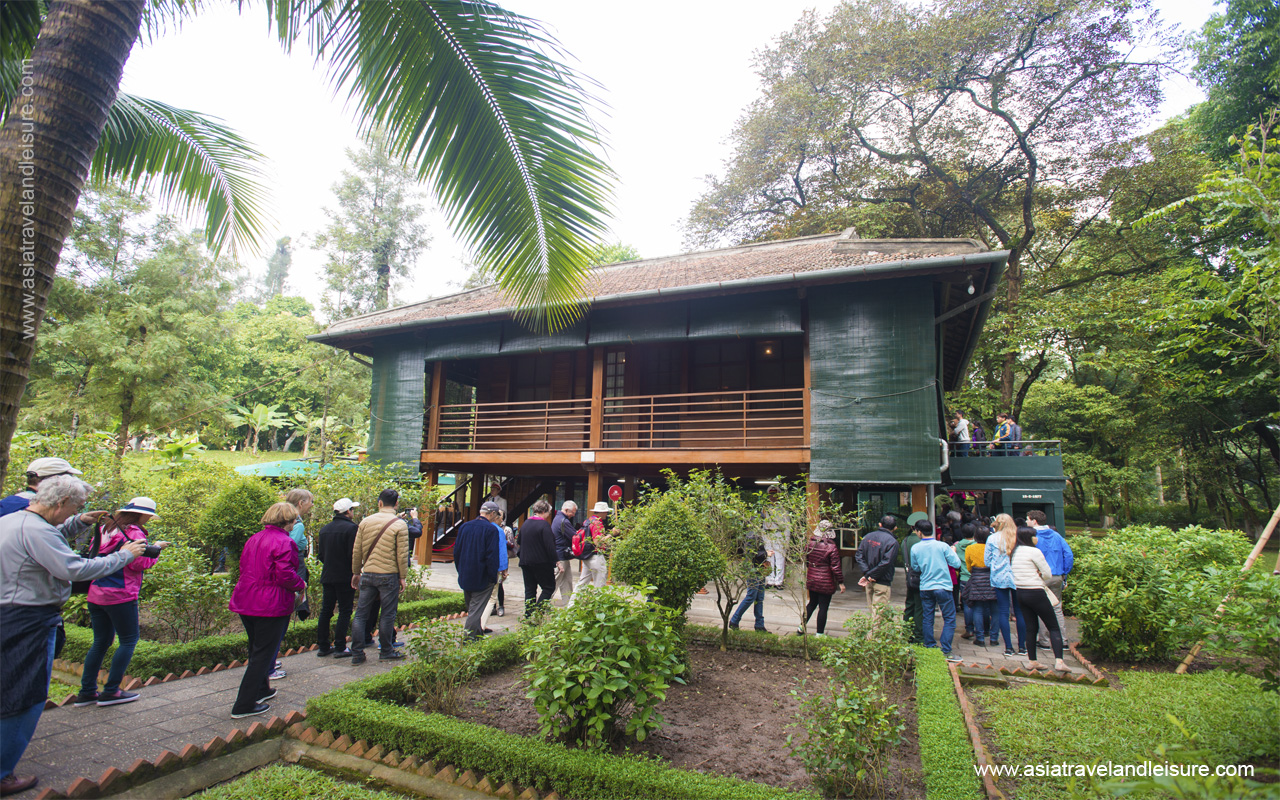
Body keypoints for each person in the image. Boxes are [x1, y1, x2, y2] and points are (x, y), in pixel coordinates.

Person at [0, 476, 148, 796]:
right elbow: (75, 569)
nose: (76, 512)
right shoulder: (36, 530)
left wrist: (80, 522)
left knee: (10, 687)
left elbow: (47, 536)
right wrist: (126, 555)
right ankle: (2, 772)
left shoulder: (15, 520)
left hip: (11, 612)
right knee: (26, 695)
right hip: (28, 619)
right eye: (76, 507)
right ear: (61, 502)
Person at [77, 498, 170, 707]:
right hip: (120, 594)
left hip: (96, 591)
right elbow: (139, 563)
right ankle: (111, 691)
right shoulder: (134, 533)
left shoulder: (105, 529)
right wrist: (156, 549)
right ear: (142, 515)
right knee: (128, 640)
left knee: (100, 642)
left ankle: (87, 692)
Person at [227, 502, 306, 719]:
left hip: (246, 599)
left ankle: (262, 690)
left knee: (257, 649)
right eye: (294, 521)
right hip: (269, 604)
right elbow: (285, 574)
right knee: (264, 654)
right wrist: (301, 584)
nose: (295, 524)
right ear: (288, 521)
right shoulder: (285, 542)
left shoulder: (254, 538)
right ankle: (243, 704)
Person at [349, 489, 409, 666]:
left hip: (368, 573)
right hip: (388, 574)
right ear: (397, 503)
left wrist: (355, 572)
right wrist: (403, 576)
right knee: (387, 614)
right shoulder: (399, 525)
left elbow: (357, 550)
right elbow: (402, 554)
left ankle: (357, 653)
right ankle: (386, 651)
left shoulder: (365, 521)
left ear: (379, 503)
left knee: (361, 614)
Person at [0, 458, 107, 542]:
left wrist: (81, 520)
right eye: (68, 478)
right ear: (54, 481)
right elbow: (48, 536)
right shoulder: (33, 509)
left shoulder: (9, 502)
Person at [1011, 526, 1069, 672]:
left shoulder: (1014, 552)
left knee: (1031, 627)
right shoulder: (1034, 551)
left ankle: (1032, 661)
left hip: (1021, 592)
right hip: (1036, 592)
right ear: (1030, 538)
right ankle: (1059, 661)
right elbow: (1048, 574)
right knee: (1053, 626)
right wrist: (1039, 574)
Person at [909, 520, 963, 661]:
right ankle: (946, 650)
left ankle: (930, 646)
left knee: (928, 617)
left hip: (926, 586)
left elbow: (915, 567)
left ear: (919, 532)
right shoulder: (942, 546)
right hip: (943, 586)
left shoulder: (915, 548)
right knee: (949, 618)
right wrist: (953, 552)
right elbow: (956, 563)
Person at [315, 498, 360, 657]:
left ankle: (323, 646)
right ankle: (340, 646)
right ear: (347, 511)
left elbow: (321, 555)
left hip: (328, 575)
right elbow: (353, 555)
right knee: (345, 610)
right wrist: (356, 572)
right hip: (345, 576)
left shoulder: (325, 529)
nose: (353, 512)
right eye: (352, 510)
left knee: (326, 611)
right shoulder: (352, 528)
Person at [454, 501, 506, 638]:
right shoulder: (491, 530)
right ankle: (469, 640)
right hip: (482, 576)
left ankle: (476, 637)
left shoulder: (465, 527)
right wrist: (492, 576)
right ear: (493, 514)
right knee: (475, 610)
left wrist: (460, 570)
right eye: (497, 515)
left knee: (472, 607)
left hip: (465, 574)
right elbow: (491, 555)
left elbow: (457, 551)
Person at [1028, 510, 1073, 649]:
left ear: (1034, 521)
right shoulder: (1056, 535)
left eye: (1028, 519)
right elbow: (1069, 554)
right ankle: (1063, 640)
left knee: (1042, 609)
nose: (1026, 522)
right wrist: (1064, 573)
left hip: (1041, 577)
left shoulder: (1033, 536)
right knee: (1057, 608)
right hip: (1057, 576)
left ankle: (1045, 641)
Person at [985, 513, 1027, 657]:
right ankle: (1022, 647)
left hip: (999, 577)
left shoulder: (992, 538)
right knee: (1020, 612)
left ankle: (1008, 647)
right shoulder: (1019, 537)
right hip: (1018, 576)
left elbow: (987, 561)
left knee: (1003, 612)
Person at [799, 521, 844, 636]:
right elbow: (835, 566)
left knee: (812, 603)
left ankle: (801, 627)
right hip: (826, 580)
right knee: (823, 607)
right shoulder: (831, 546)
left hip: (812, 577)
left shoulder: (810, 543)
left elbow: (807, 559)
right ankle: (819, 633)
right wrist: (841, 582)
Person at [855, 515, 899, 624]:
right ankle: (873, 640)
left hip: (869, 581)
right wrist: (871, 575)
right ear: (895, 528)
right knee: (878, 615)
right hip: (882, 581)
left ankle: (871, 638)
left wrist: (867, 574)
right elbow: (886, 562)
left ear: (880, 524)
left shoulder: (867, 537)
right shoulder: (892, 542)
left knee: (872, 613)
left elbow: (859, 556)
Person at [729, 527, 772, 632]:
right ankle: (734, 620)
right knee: (751, 596)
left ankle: (759, 625)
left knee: (759, 597)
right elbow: (750, 553)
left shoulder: (754, 533)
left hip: (759, 568)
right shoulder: (751, 535)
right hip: (752, 570)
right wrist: (766, 554)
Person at [518, 500, 557, 616]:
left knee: (529, 590)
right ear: (544, 511)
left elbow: (519, 541)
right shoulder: (544, 525)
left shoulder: (525, 523)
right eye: (548, 513)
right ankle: (538, 613)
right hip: (541, 562)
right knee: (549, 588)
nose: (549, 515)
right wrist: (556, 561)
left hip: (525, 561)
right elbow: (550, 546)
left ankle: (529, 615)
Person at [570, 502, 611, 600]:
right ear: (603, 512)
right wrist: (611, 535)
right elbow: (598, 542)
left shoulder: (588, 520)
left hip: (587, 556)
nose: (607, 514)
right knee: (599, 584)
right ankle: (598, 610)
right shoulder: (598, 523)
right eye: (606, 512)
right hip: (596, 556)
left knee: (582, 583)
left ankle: (571, 607)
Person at [964, 528, 998, 647]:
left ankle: (980, 638)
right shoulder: (993, 547)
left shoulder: (970, 548)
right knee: (995, 610)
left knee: (977, 608)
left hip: (977, 578)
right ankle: (994, 638)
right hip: (992, 577)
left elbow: (968, 567)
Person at [899, 513, 926, 643]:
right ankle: (918, 636)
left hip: (909, 577)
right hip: (920, 578)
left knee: (909, 605)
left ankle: (906, 632)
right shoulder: (921, 542)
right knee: (919, 607)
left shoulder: (905, 541)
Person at [490, 510, 517, 618]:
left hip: (502, 558)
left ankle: (501, 606)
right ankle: (492, 606)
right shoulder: (490, 527)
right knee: (491, 583)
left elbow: (511, 544)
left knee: (499, 583)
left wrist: (503, 541)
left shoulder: (506, 529)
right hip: (491, 558)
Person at [550, 501, 578, 604]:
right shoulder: (564, 521)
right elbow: (575, 536)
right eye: (573, 512)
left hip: (561, 555)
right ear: (566, 510)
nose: (574, 515)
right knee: (556, 581)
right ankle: (543, 604)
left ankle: (569, 603)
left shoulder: (557, 519)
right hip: (561, 555)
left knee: (567, 580)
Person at [761, 486, 788, 588]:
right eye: (771, 495)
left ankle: (779, 581)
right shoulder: (765, 508)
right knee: (769, 557)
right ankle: (770, 580)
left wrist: (786, 539)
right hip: (768, 534)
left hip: (779, 534)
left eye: (775, 495)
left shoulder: (782, 509)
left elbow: (786, 525)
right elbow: (763, 524)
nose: (772, 497)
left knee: (780, 558)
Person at [954, 523, 977, 639]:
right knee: (979, 605)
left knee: (967, 605)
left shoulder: (957, 546)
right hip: (977, 577)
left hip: (963, 577)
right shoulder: (977, 545)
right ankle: (981, 629)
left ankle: (969, 629)